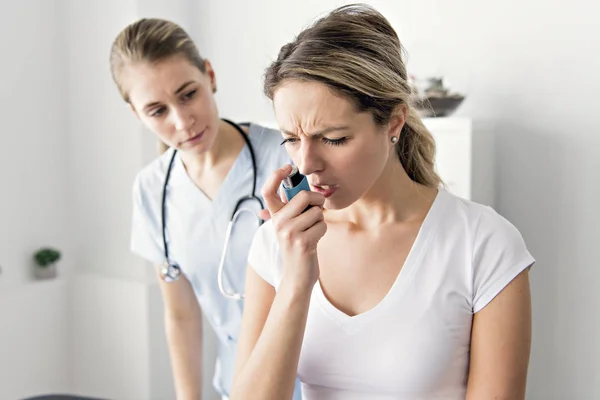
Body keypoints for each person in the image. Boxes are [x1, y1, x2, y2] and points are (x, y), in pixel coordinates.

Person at [232, 4, 534, 400]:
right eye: (290, 138)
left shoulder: (483, 244)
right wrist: (296, 281)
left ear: (393, 122)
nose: (306, 163)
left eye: (333, 138)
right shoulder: (280, 243)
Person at [109, 18, 302, 400]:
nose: (182, 121)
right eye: (157, 111)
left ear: (209, 75)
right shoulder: (152, 191)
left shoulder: (286, 157)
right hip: (236, 383)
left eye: (187, 94)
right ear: (136, 115)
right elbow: (181, 315)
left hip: (314, 380)